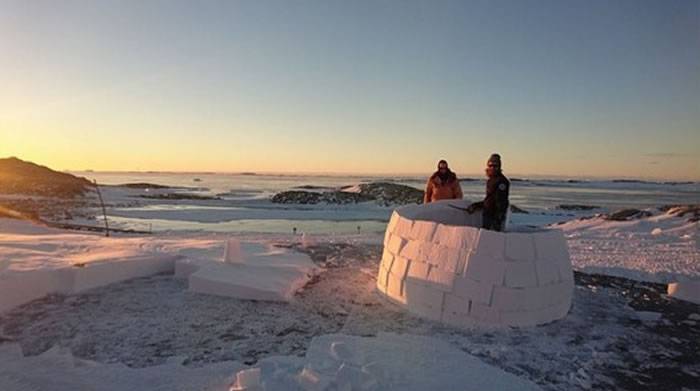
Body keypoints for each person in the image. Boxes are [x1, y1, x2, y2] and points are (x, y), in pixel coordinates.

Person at [467, 154, 510, 231]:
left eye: (495, 166)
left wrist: (499, 217)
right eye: (490, 165)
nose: (492, 168)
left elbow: (501, 201)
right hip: (487, 213)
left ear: (499, 167)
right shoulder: (490, 180)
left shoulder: (502, 181)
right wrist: (476, 205)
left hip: (495, 217)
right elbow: (490, 199)